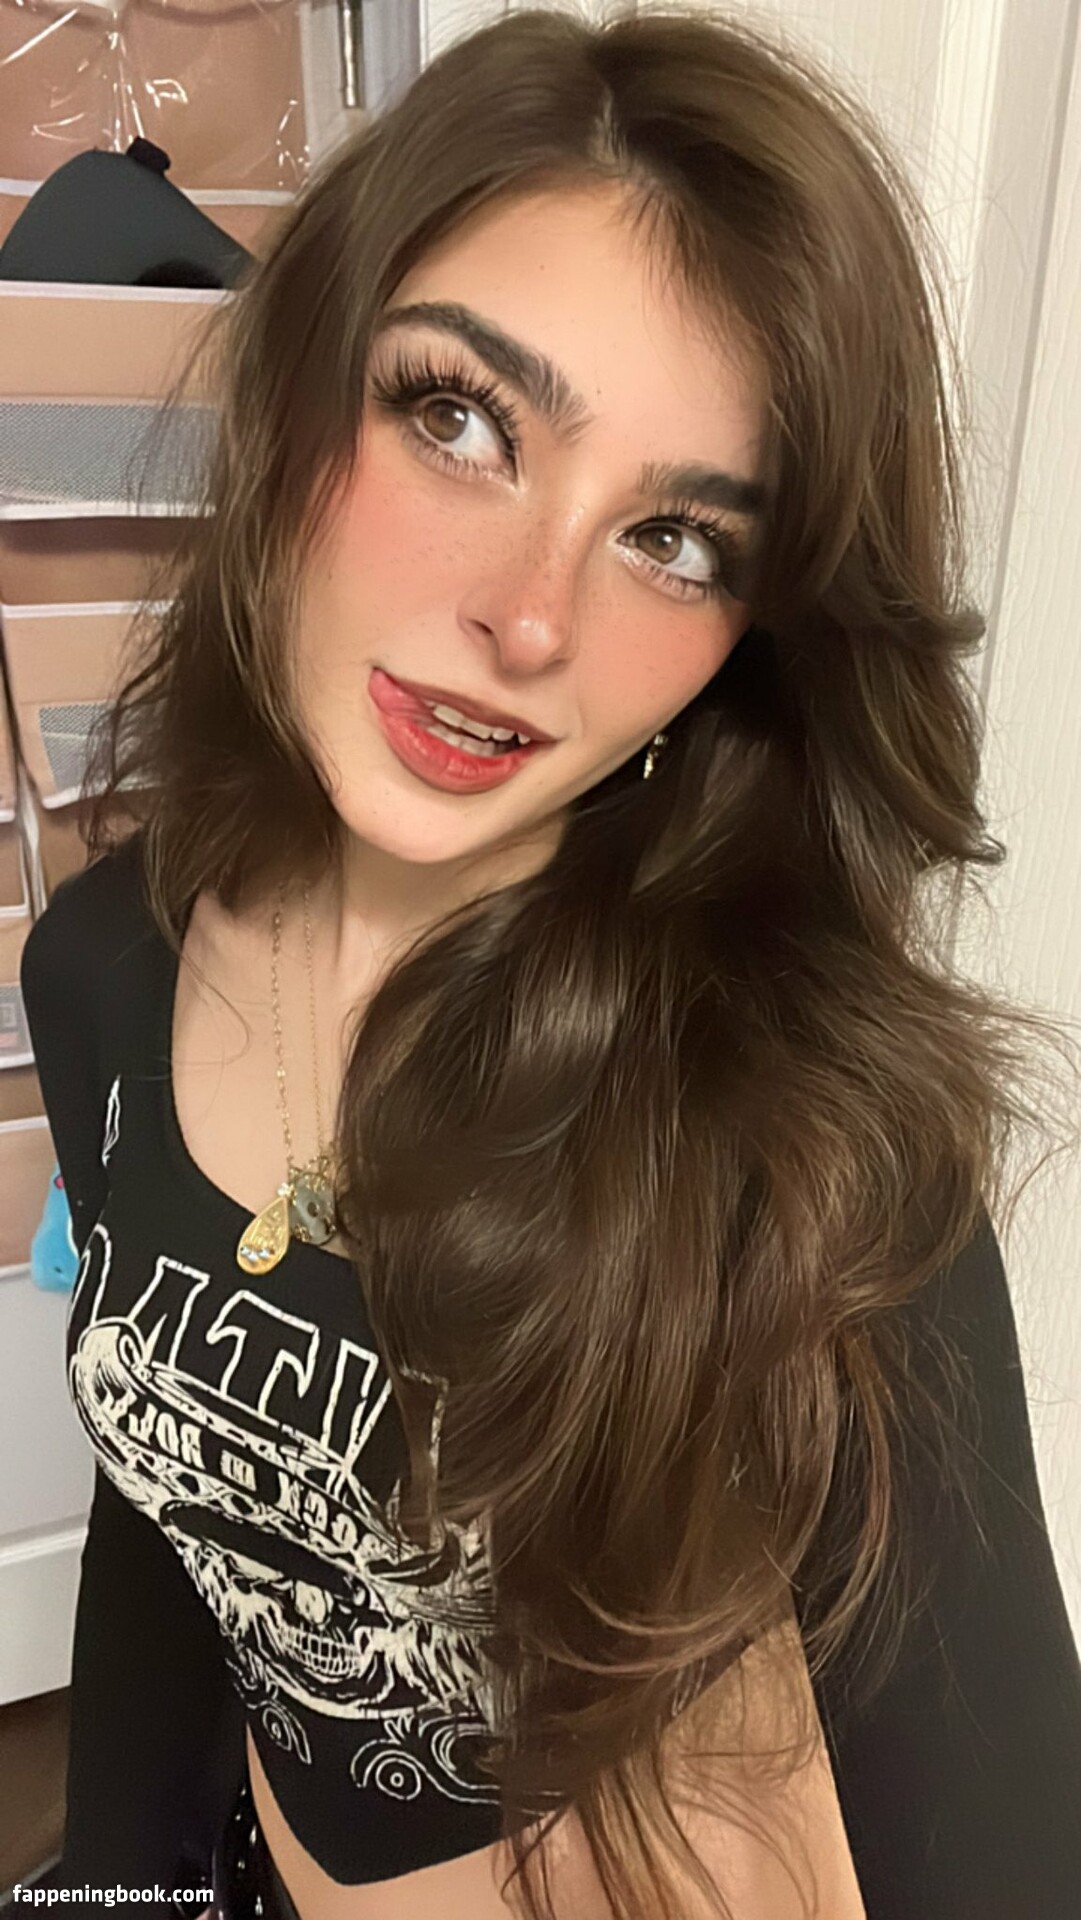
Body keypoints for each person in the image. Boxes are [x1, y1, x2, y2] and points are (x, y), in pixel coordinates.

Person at [19, 6, 1081, 1919]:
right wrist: (112, 1883)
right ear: (303, 388)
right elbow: (176, 1509)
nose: (526, 619)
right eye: (457, 420)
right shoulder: (105, 962)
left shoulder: (795, 1139)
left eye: (673, 538)